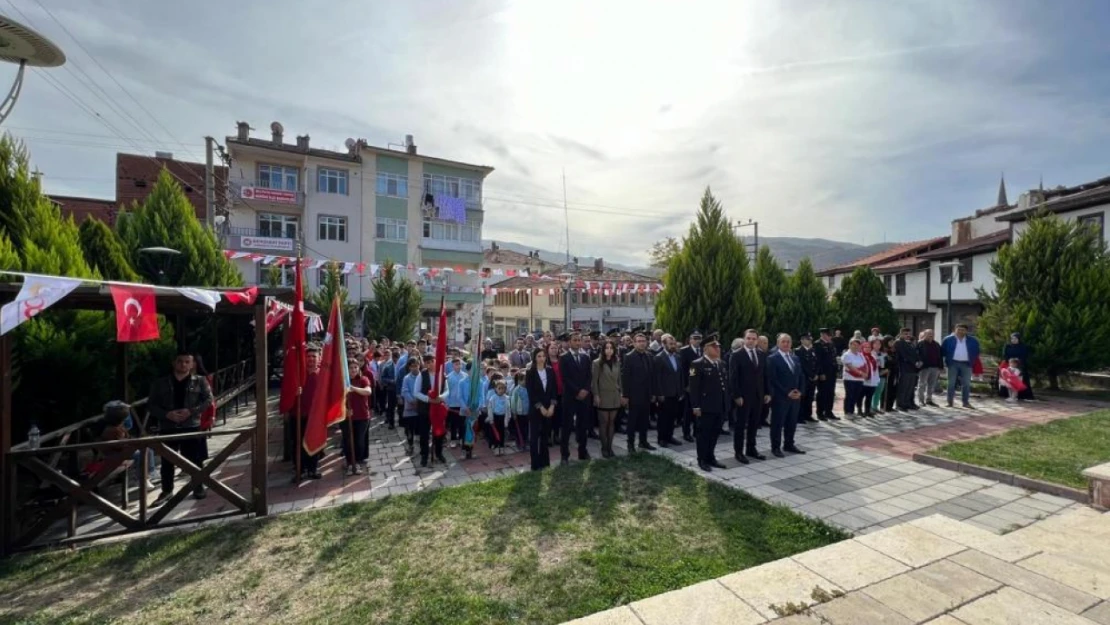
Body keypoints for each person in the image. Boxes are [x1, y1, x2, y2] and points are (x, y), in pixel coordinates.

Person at [148, 351, 215, 502]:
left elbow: (208, 400)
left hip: (191, 425)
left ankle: (198, 486)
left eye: (187, 362)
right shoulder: (161, 383)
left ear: (192, 364)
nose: (183, 364)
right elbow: (151, 405)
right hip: (168, 426)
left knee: (195, 459)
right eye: (180, 361)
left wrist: (191, 411)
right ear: (174, 363)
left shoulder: (200, 381)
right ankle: (166, 490)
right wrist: (166, 415)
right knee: (167, 461)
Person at [688, 333, 728, 472]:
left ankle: (711, 457)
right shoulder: (697, 364)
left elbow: (724, 386)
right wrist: (696, 406)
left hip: (719, 405)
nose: (718, 349)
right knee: (703, 434)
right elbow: (694, 388)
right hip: (705, 407)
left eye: (718, 346)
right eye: (714, 346)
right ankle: (702, 459)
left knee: (715, 433)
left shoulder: (721, 363)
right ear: (706, 348)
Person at [729, 329, 769, 464]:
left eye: (753, 339)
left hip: (758, 396)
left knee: (754, 424)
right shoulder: (737, 355)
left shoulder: (761, 354)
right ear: (744, 339)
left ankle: (751, 449)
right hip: (743, 397)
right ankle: (738, 452)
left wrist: (767, 393)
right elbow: (733, 378)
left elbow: (764, 376)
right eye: (748, 338)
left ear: (757, 340)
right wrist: (737, 395)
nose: (751, 341)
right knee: (741, 425)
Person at [766, 334, 807, 457]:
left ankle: (789, 444)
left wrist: (800, 391)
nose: (786, 344)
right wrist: (786, 392)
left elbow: (801, 376)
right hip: (780, 397)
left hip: (795, 397)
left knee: (792, 422)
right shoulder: (773, 358)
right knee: (778, 423)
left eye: (788, 342)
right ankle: (775, 447)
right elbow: (773, 379)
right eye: (783, 341)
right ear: (778, 343)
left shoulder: (795, 358)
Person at [559, 332, 593, 464]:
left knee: (583, 425)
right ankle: (564, 455)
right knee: (567, 426)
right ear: (570, 342)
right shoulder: (564, 358)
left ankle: (582, 452)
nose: (578, 342)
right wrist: (577, 391)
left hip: (584, 397)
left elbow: (589, 376)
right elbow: (565, 378)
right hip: (570, 397)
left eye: (579, 340)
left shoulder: (585, 357)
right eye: (575, 340)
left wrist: (585, 390)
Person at [620, 333, 656, 453]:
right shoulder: (629, 357)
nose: (641, 343)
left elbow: (652, 376)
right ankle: (630, 444)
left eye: (643, 341)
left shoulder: (649, 356)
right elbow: (625, 378)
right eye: (639, 341)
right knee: (632, 421)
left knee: (645, 420)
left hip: (647, 395)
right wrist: (625, 395)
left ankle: (643, 441)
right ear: (634, 343)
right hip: (634, 395)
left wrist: (652, 393)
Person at [525, 348, 558, 471]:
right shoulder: (530, 372)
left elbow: (554, 390)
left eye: (543, 356)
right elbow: (531, 393)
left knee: (545, 436)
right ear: (534, 358)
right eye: (539, 356)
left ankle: (545, 462)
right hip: (536, 409)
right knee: (534, 437)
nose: (542, 358)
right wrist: (541, 408)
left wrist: (552, 406)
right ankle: (535, 464)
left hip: (549, 408)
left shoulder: (550, 371)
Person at [412, 354, 446, 468]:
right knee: (424, 434)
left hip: (437, 409)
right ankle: (424, 456)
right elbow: (416, 392)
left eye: (432, 361)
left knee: (439, 432)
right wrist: (429, 399)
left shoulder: (441, 375)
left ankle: (439, 453)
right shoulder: (422, 375)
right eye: (427, 362)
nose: (430, 364)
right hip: (425, 409)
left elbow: (447, 390)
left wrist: (441, 398)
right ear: (425, 364)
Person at [591, 340, 622, 458]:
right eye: (607, 348)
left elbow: (620, 380)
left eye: (611, 348)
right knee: (604, 423)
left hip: (614, 395)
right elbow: (594, 381)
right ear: (603, 350)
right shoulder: (597, 363)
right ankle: (604, 448)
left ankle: (610, 447)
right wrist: (596, 395)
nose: (609, 350)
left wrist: (621, 393)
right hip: (602, 396)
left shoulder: (617, 362)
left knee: (612, 423)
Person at [651, 334, 683, 447]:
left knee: (672, 416)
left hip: (675, 393)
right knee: (663, 418)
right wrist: (659, 393)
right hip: (664, 394)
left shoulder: (678, 357)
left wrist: (681, 391)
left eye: (674, 343)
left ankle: (670, 436)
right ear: (664, 344)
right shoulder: (659, 358)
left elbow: (680, 375)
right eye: (670, 344)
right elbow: (657, 378)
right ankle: (662, 439)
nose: (673, 346)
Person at [344, 358, 372, 474]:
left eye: (355, 367)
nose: (353, 369)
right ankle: (350, 463)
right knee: (348, 441)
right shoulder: (343, 381)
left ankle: (358, 462)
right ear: (346, 368)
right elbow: (337, 400)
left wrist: (353, 388)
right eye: (350, 367)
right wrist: (345, 410)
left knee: (359, 441)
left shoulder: (363, 379)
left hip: (362, 416)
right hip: (347, 416)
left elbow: (368, 391)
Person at [942, 324, 979, 408]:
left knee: (966, 384)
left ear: (966, 331)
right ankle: (949, 402)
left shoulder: (973, 340)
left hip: (966, 364)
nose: (960, 331)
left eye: (963, 330)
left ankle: (965, 402)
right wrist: (945, 363)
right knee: (951, 383)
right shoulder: (948, 340)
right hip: (952, 364)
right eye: (959, 329)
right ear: (955, 330)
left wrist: (972, 361)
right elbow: (943, 351)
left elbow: (976, 351)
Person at [677, 330, 703, 443]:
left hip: (701, 385)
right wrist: (685, 385)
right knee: (688, 411)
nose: (697, 340)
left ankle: (697, 431)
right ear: (690, 339)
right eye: (695, 338)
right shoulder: (684, 351)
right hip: (689, 386)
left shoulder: (703, 350)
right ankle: (686, 433)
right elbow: (682, 370)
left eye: (699, 338)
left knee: (699, 409)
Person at [813, 329, 840, 421]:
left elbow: (833, 357)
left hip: (832, 372)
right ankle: (820, 412)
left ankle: (829, 411)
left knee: (830, 393)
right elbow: (818, 360)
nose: (830, 337)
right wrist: (821, 373)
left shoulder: (831, 343)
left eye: (830, 335)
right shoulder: (817, 344)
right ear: (823, 334)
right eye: (828, 335)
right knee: (822, 393)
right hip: (824, 373)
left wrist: (836, 369)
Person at [894, 328, 921, 411]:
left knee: (911, 387)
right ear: (901, 334)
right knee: (904, 387)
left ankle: (909, 403)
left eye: (909, 333)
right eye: (905, 334)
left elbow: (915, 354)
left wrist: (919, 361)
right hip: (904, 368)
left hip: (913, 369)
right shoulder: (899, 343)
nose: (908, 335)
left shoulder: (911, 343)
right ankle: (901, 404)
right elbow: (904, 355)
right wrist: (914, 362)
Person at [794, 333, 819, 423]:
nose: (809, 341)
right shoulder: (798, 351)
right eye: (807, 339)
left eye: (810, 339)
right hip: (804, 378)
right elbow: (802, 365)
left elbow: (816, 363)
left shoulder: (813, 350)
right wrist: (810, 375)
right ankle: (800, 416)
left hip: (813, 379)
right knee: (802, 397)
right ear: (802, 340)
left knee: (810, 397)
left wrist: (816, 374)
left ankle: (808, 415)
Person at [840, 339, 868, 416]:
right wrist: (861, 373)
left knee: (856, 395)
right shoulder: (846, 355)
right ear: (850, 345)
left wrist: (866, 373)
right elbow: (850, 366)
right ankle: (847, 411)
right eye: (854, 345)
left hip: (860, 379)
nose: (856, 347)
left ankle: (852, 411)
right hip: (850, 378)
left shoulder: (860, 354)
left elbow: (865, 365)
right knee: (850, 395)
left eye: (858, 345)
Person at [399, 357, 421, 456]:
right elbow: (404, 391)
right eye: (412, 366)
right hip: (410, 408)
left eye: (416, 365)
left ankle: (422, 445)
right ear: (409, 367)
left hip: (421, 407)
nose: (414, 368)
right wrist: (412, 401)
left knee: (421, 428)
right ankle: (410, 444)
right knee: (409, 429)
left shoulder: (423, 376)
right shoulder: (406, 378)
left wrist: (419, 401)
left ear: (419, 365)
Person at [1003, 333, 1034, 400]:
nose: (1013, 340)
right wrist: (1009, 361)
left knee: (1020, 381)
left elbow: (1025, 356)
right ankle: (1009, 395)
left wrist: (1017, 361)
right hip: (1009, 365)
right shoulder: (1008, 346)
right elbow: (1005, 355)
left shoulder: (1023, 346)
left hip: (1020, 365)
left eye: (1015, 339)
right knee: (1008, 381)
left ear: (1018, 339)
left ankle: (1019, 396)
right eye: (1012, 338)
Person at [445, 358, 468, 448]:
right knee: (453, 423)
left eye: (459, 364)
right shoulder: (449, 377)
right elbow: (447, 391)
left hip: (463, 403)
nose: (458, 366)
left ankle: (462, 438)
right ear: (452, 366)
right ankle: (453, 439)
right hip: (453, 404)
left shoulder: (465, 376)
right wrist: (447, 403)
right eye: (456, 364)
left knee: (462, 422)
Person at [916, 329, 943, 407]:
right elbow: (916, 354)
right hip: (925, 367)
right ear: (924, 335)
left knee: (931, 385)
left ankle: (929, 400)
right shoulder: (920, 344)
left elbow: (940, 356)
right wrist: (919, 363)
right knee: (922, 384)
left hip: (935, 367)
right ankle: (921, 401)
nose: (931, 335)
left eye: (932, 333)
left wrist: (940, 366)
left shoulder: (937, 344)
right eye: (929, 334)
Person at [487, 380, 510, 455]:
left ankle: (501, 446)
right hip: (495, 417)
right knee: (495, 433)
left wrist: (507, 419)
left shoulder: (506, 398)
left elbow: (508, 409)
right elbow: (490, 408)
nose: (501, 390)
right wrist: (491, 418)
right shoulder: (493, 398)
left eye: (503, 388)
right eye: (499, 388)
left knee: (502, 433)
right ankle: (496, 447)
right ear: (495, 389)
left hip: (503, 417)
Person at [860, 340, 880, 417]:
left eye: (869, 347)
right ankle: (859, 410)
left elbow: (875, 369)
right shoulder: (861, 356)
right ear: (863, 348)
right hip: (864, 380)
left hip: (872, 381)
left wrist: (876, 379)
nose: (868, 349)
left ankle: (867, 411)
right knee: (861, 396)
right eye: (866, 347)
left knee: (869, 397)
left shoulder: (873, 357)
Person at [510, 370, 529, 450]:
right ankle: (519, 443)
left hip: (527, 412)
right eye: (523, 380)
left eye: (526, 380)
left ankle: (525, 442)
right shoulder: (516, 390)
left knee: (526, 429)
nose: (525, 382)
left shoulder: (529, 389)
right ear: (519, 381)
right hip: (519, 413)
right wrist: (514, 412)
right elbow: (513, 402)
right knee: (519, 429)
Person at [870, 338, 889, 415]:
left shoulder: (883, 354)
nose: (877, 345)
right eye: (875, 343)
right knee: (872, 391)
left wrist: (886, 370)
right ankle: (870, 407)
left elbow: (888, 363)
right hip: (873, 374)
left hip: (883, 374)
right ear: (872, 344)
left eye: (879, 344)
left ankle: (875, 406)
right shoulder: (870, 353)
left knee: (879, 391)